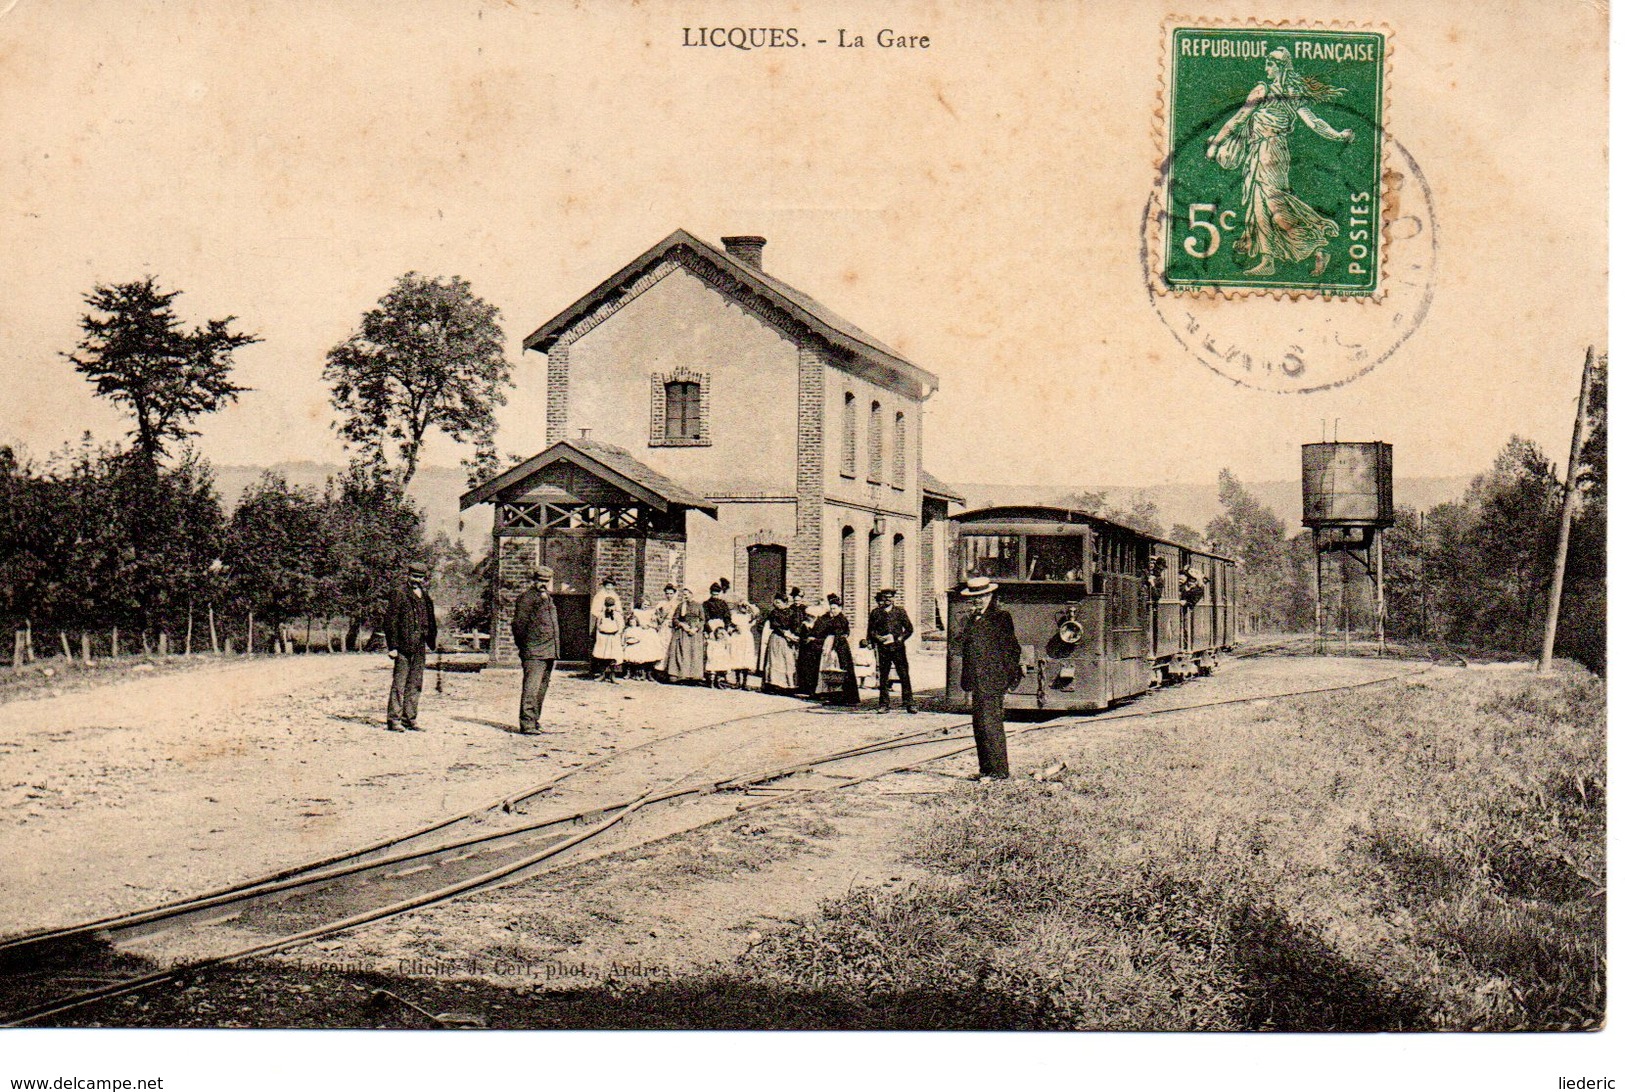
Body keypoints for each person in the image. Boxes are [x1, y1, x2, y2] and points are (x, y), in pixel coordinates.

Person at [1206, 47, 1355, 277]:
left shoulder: (1262, 90)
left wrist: (1216, 143)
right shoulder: (1293, 93)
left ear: (1279, 66)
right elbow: (1314, 123)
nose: (1266, 68)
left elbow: (1238, 119)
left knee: (1274, 205)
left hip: (1266, 151)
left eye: (1269, 64)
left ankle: (1316, 243)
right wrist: (1337, 135)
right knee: (1261, 207)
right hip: (1274, 151)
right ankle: (1270, 260)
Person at [956, 576, 1022, 779]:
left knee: (991, 725)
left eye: (982, 596)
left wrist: (1006, 678)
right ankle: (985, 769)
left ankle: (999, 771)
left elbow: (1012, 650)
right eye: (974, 597)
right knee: (979, 725)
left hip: (992, 681)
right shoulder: (972, 620)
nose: (978, 601)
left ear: (990, 596)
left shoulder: (1000, 618)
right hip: (977, 681)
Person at [383, 560, 438, 732]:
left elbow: (430, 619)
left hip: (419, 645)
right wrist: (393, 646)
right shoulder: (399, 593)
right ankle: (394, 720)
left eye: (420, 577)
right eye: (414, 576)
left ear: (425, 579)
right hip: (403, 646)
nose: (417, 580)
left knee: (415, 683)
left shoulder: (425, 596)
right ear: (408, 575)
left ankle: (410, 719)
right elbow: (390, 621)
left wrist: (430, 639)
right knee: (399, 683)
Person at [510, 567, 561, 734]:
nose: (543, 584)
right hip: (533, 650)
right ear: (534, 580)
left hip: (549, 649)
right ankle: (527, 724)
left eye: (546, 581)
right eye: (540, 580)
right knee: (531, 688)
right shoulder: (527, 598)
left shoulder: (548, 599)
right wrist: (525, 646)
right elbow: (518, 625)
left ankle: (535, 720)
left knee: (541, 688)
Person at [866, 588, 917, 713]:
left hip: (898, 648)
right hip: (883, 648)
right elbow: (871, 631)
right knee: (883, 676)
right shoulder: (876, 613)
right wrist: (878, 638)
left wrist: (900, 638)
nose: (887, 600)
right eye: (885, 597)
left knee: (904, 674)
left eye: (890, 597)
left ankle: (909, 703)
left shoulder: (900, 612)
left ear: (894, 599)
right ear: (882, 598)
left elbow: (909, 629)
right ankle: (884, 704)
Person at [811, 593, 859, 706]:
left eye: (835, 608)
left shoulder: (840, 620)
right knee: (838, 670)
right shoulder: (838, 618)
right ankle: (840, 696)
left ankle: (842, 696)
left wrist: (833, 650)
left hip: (838, 646)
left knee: (838, 670)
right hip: (835, 644)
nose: (832, 610)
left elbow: (838, 635)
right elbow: (846, 632)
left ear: (840, 608)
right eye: (831, 608)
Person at [663, 587, 707, 683]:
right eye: (684, 594)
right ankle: (681, 675)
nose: (685, 596)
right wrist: (682, 624)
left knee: (694, 653)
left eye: (686, 594)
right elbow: (675, 619)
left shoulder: (698, 606)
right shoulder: (680, 606)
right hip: (683, 632)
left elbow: (703, 620)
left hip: (694, 633)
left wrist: (696, 628)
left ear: (692, 594)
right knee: (682, 652)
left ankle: (693, 677)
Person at [759, 593, 799, 694]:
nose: (777, 604)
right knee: (775, 661)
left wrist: (793, 634)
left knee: (788, 661)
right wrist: (785, 633)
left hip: (788, 639)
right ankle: (773, 685)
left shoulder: (792, 612)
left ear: (785, 603)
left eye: (779, 602)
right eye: (776, 602)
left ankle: (788, 686)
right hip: (777, 638)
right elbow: (775, 625)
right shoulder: (774, 613)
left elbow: (796, 624)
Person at [622, 596, 664, 681]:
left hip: (649, 633)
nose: (646, 606)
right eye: (644, 604)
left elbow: (656, 625)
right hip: (639, 633)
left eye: (648, 605)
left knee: (650, 653)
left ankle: (649, 673)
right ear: (641, 604)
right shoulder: (636, 612)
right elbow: (630, 621)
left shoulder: (651, 612)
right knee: (639, 653)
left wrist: (649, 625)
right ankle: (639, 673)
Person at [790, 587, 821, 697]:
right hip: (798, 639)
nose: (797, 602)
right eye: (795, 600)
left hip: (811, 648)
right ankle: (799, 686)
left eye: (798, 600)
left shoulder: (805, 609)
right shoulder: (791, 609)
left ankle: (810, 688)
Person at [702, 582, 732, 688]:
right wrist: (709, 631)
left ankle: (721, 676)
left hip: (721, 628)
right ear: (710, 593)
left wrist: (725, 628)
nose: (715, 596)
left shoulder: (723, 603)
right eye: (713, 594)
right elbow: (705, 618)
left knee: (722, 653)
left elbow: (727, 616)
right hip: (711, 626)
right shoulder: (706, 604)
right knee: (711, 652)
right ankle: (710, 677)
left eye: (717, 594)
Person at [591, 590, 625, 683]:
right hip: (603, 637)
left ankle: (612, 676)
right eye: (607, 605)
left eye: (611, 605)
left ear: (614, 606)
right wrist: (601, 633)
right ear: (605, 606)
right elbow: (598, 625)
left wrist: (617, 635)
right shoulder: (601, 615)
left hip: (613, 637)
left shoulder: (617, 615)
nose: (609, 608)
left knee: (612, 657)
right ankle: (602, 675)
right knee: (602, 657)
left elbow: (621, 626)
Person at [728, 598, 760, 690]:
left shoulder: (749, 616)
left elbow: (757, 613)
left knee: (746, 659)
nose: (743, 608)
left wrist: (749, 605)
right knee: (738, 658)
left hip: (746, 638)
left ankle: (745, 683)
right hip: (737, 638)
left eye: (745, 607)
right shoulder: (735, 616)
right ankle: (737, 681)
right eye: (741, 606)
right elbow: (732, 625)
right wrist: (735, 628)